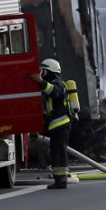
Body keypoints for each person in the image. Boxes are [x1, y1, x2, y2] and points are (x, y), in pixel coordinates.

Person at [29, 58, 73, 189]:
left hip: (61, 124)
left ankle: (62, 181)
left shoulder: (59, 84)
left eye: (43, 71)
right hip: (55, 125)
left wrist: (41, 82)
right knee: (55, 152)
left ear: (50, 71)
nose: (41, 74)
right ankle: (59, 179)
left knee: (59, 152)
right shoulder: (50, 84)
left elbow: (54, 92)